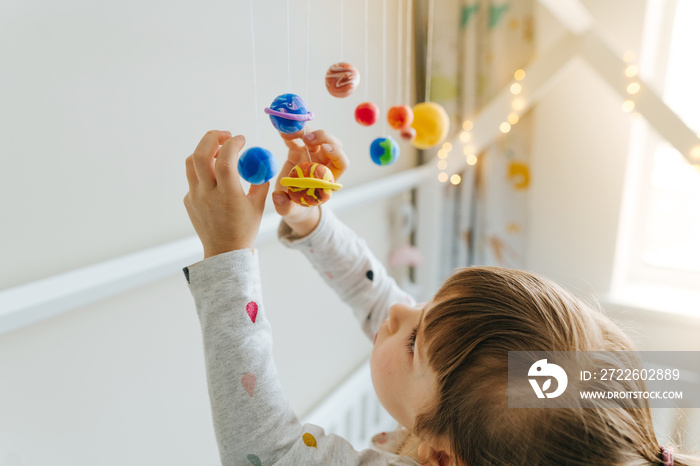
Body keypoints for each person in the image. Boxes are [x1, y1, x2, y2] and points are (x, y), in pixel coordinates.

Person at [183, 129, 699, 466]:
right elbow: (377, 297)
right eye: (427, 308)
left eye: (413, 343)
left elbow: (265, 451)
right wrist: (311, 221)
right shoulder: (459, 428)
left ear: (441, 459)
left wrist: (228, 257)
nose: (398, 310)